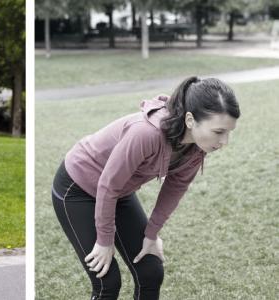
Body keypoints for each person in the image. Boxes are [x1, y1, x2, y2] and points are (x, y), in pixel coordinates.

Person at [51, 77, 240, 300]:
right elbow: (108, 184)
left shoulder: (198, 147)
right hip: (77, 188)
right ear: (190, 120)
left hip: (119, 191)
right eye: (219, 132)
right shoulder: (146, 133)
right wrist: (104, 240)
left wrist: (151, 234)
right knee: (107, 281)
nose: (224, 141)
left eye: (228, 132)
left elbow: (175, 188)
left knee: (150, 272)